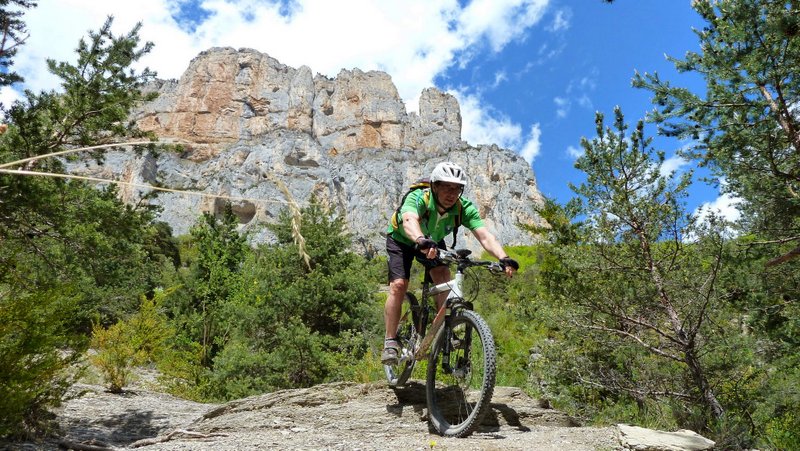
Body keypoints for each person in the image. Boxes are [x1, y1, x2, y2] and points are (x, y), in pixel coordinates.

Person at [382, 161, 519, 365]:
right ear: (434, 186)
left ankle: (445, 330)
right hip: (403, 239)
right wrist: (419, 240)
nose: (452, 193)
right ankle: (390, 341)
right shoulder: (418, 197)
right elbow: (409, 219)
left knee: (444, 274)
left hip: (432, 241)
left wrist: (503, 257)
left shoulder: (463, 208)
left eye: (457, 188)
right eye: (447, 187)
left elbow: (484, 236)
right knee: (399, 285)